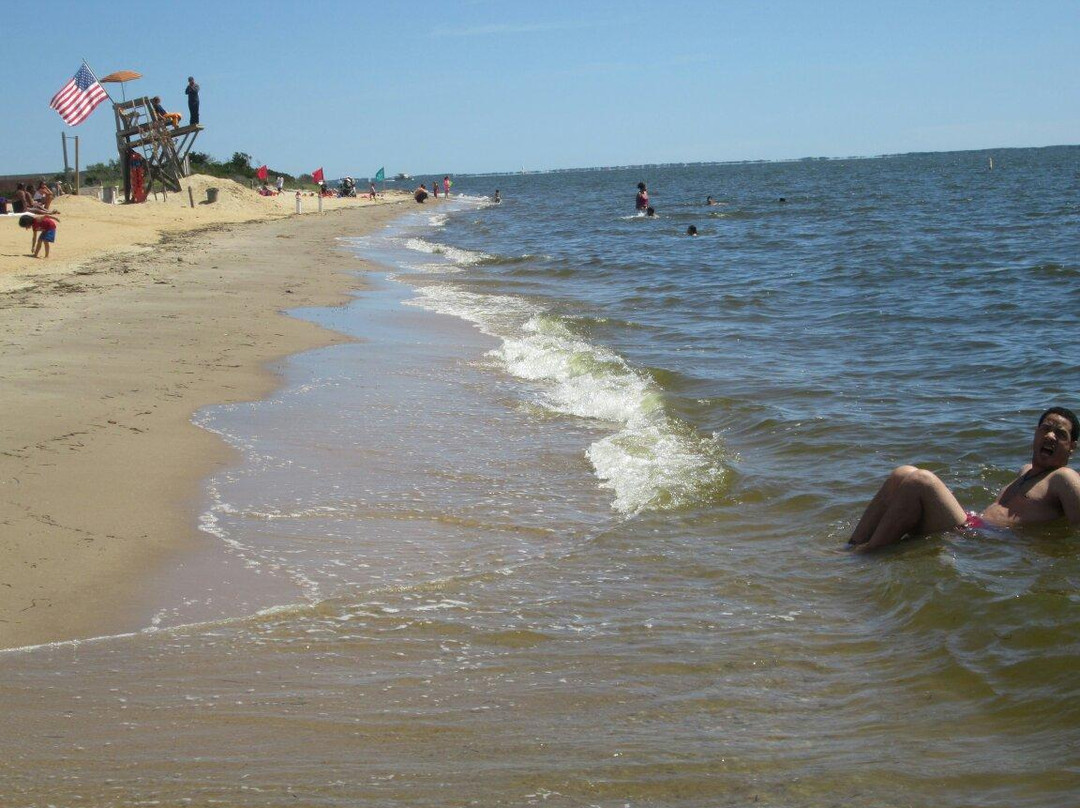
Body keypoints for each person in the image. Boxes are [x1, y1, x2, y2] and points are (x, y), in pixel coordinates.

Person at [848, 407, 1080, 553]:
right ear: (1036, 434)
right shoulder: (1026, 471)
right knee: (902, 472)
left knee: (922, 480)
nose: (1050, 435)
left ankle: (865, 554)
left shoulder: (1063, 477)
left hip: (984, 541)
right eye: (1045, 429)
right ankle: (852, 546)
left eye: (1061, 434)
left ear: (1072, 448)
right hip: (974, 526)